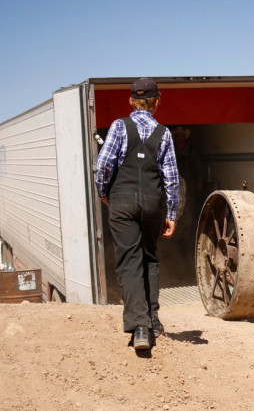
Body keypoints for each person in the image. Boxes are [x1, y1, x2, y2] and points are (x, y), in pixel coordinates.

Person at [95, 77, 180, 352]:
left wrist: (104, 192)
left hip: (122, 201)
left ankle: (140, 327)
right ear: (157, 101)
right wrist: (172, 213)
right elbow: (171, 178)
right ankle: (153, 319)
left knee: (130, 260)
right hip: (153, 203)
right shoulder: (164, 133)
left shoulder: (120, 126)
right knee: (149, 257)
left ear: (131, 101)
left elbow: (104, 164)